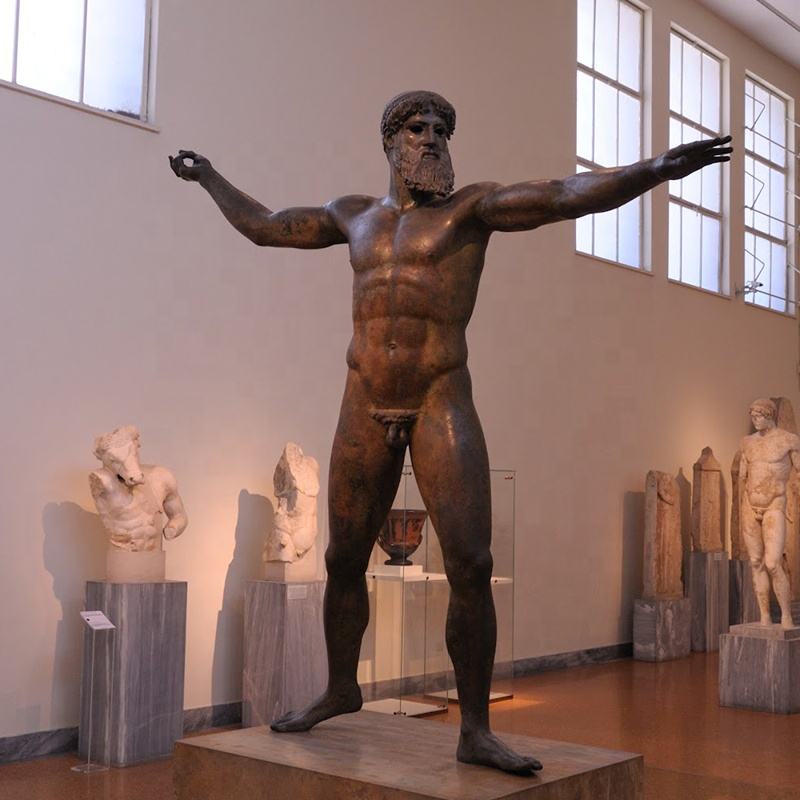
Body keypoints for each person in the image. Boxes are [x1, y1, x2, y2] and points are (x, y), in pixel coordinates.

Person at [170, 90, 731, 774]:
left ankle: (475, 729)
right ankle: (342, 688)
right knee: (343, 560)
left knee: (471, 564)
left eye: (441, 129)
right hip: (363, 398)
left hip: (439, 397)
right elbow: (266, 226)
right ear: (390, 142)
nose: (432, 137)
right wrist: (209, 177)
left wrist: (655, 169)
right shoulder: (352, 215)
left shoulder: (472, 210)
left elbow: (564, 195)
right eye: (417, 127)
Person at [740, 398, 800, 630]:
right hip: (750, 505)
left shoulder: (788, 440)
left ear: (769, 415)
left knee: (773, 562)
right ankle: (764, 616)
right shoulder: (747, 443)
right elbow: (743, 477)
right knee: (756, 562)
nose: (754, 420)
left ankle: (786, 616)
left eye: (758, 416)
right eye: (752, 416)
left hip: (774, 504)